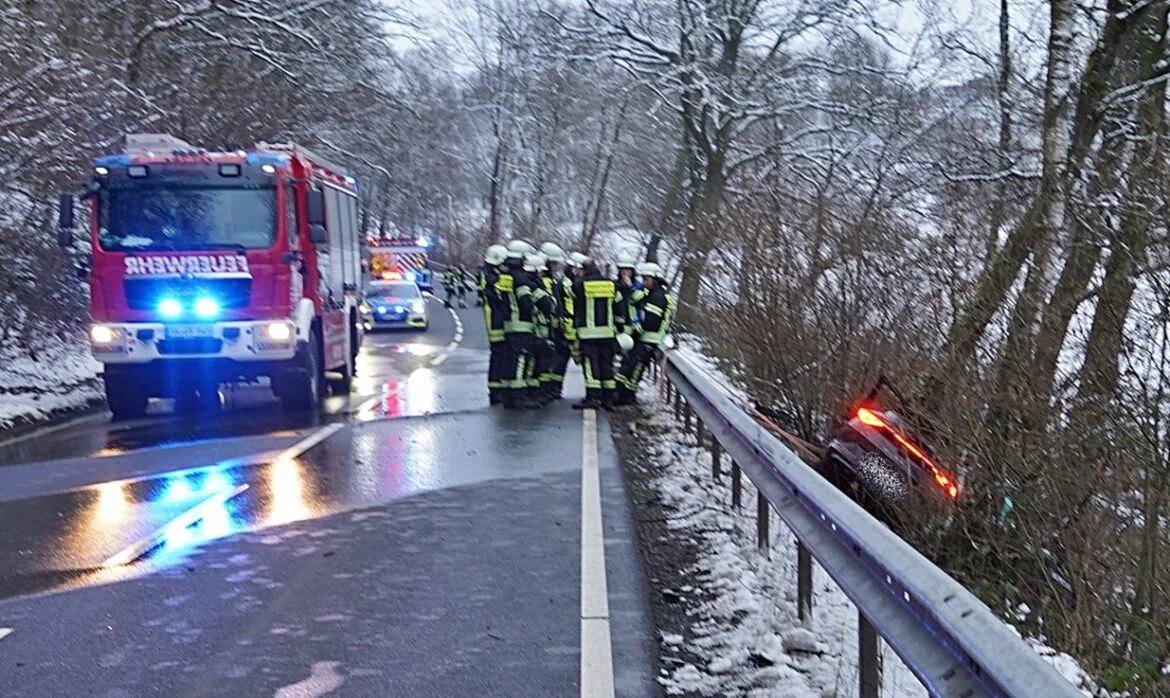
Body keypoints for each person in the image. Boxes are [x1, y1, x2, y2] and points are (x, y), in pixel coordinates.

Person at [501, 243, 555, 409]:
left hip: (510, 324)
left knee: (512, 361)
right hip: (522, 326)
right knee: (521, 360)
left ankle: (510, 397)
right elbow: (529, 303)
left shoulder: (508, 276)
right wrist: (536, 307)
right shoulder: (522, 279)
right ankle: (518, 397)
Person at [567, 256, 622, 410]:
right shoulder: (611, 285)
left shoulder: (579, 286)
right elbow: (619, 308)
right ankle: (608, 399)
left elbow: (574, 306)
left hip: (588, 334)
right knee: (606, 366)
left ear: (584, 270)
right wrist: (620, 327)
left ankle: (593, 398)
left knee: (591, 367)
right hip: (607, 334)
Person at [614, 262, 673, 406]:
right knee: (628, 366)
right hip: (645, 338)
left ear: (655, 279)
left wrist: (635, 328)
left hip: (649, 339)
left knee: (634, 369)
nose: (644, 282)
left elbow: (651, 323)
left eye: (646, 279)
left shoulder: (658, 297)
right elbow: (634, 303)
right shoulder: (652, 293)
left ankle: (626, 396)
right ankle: (622, 395)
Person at [538, 242, 570, 401]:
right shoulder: (542, 279)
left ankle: (552, 389)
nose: (554, 266)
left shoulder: (553, 280)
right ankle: (544, 390)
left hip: (553, 326)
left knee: (554, 357)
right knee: (545, 359)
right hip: (544, 325)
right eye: (552, 263)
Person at [479, 245, 509, 405]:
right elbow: (499, 291)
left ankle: (498, 388)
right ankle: (496, 390)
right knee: (498, 355)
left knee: (500, 355)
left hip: (496, 317)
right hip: (495, 319)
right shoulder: (490, 276)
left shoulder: (491, 273)